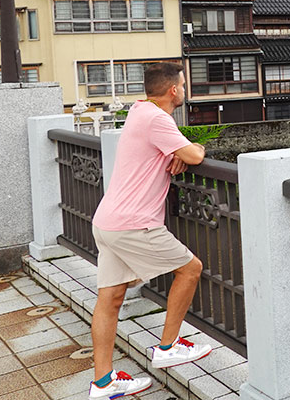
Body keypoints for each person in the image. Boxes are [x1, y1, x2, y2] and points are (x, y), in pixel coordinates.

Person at [87, 62, 212, 399]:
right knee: (190, 269)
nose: (184, 90)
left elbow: (167, 150)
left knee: (110, 299)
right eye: (183, 85)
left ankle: (103, 383)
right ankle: (168, 346)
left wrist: (174, 153)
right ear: (173, 90)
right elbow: (194, 154)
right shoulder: (158, 119)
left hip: (108, 221)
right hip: (134, 224)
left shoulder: (139, 111)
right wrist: (189, 152)